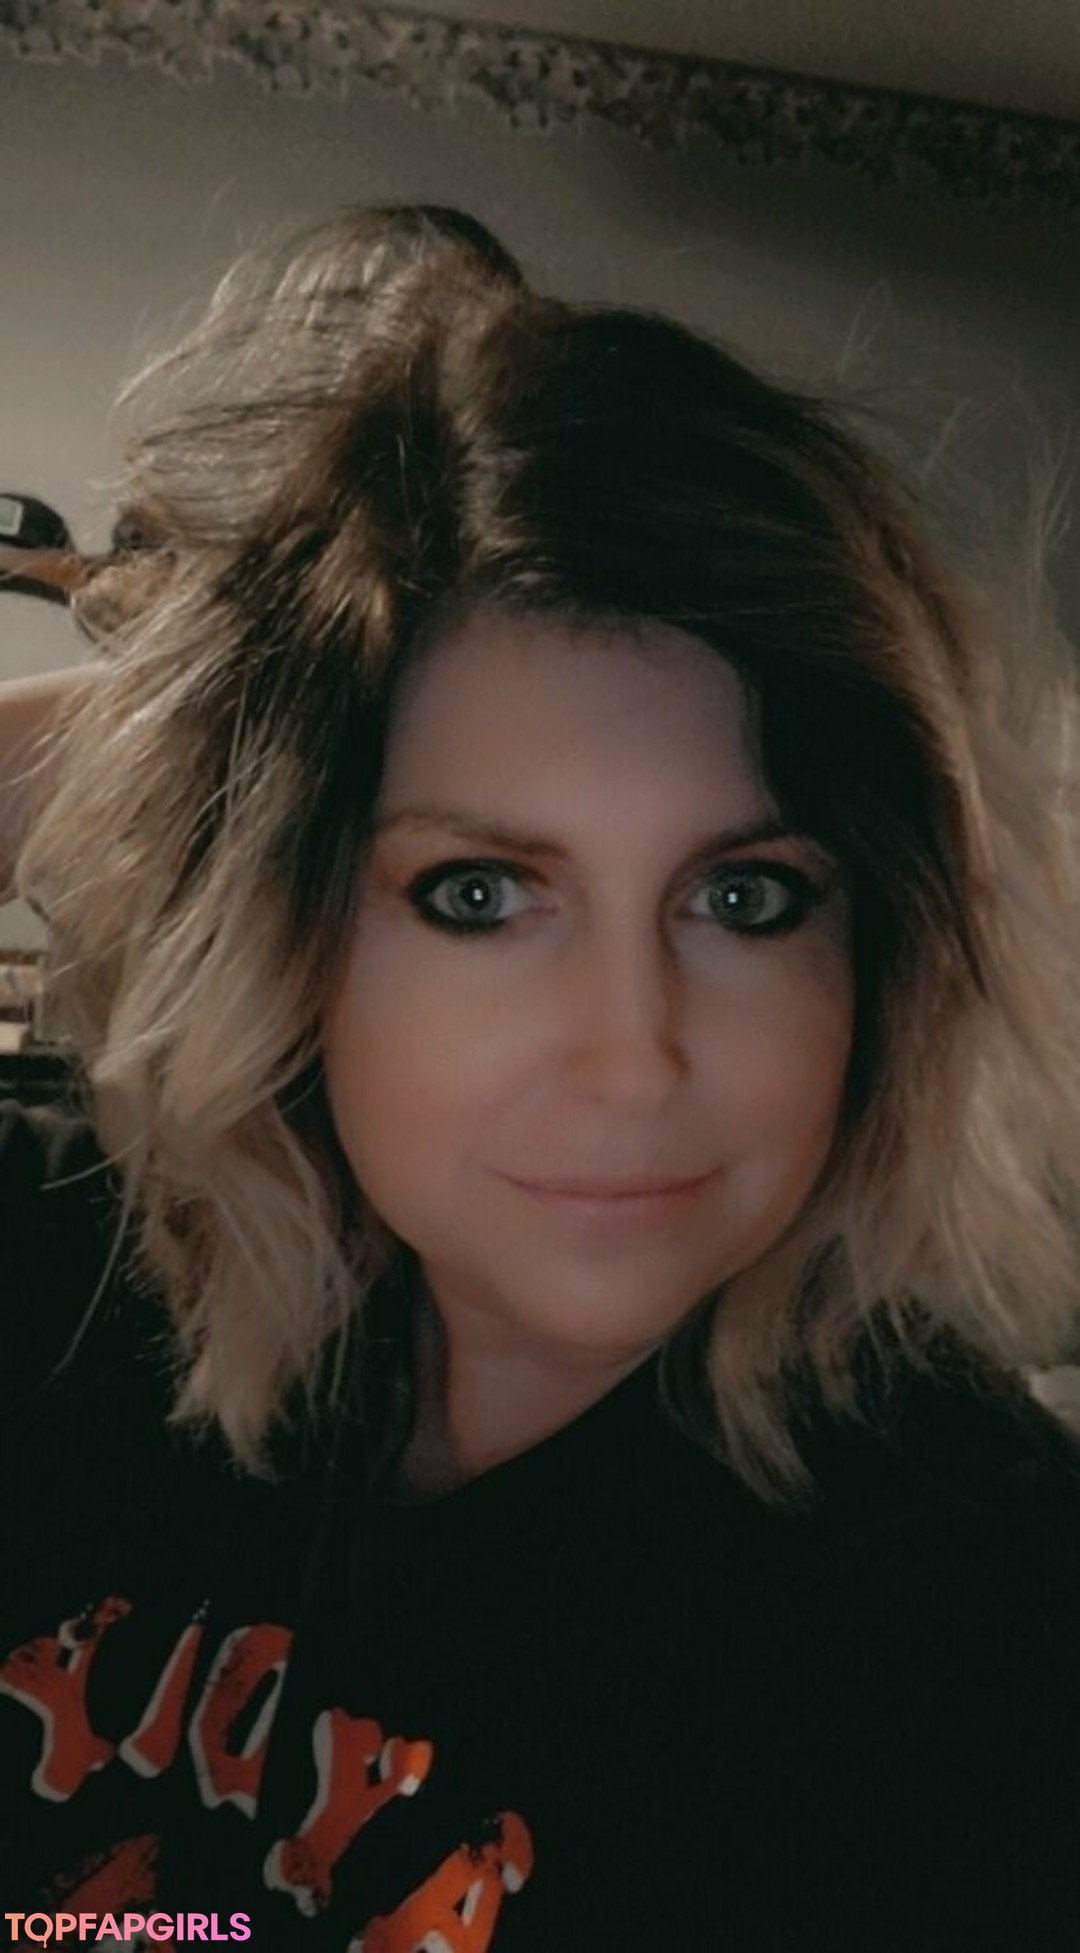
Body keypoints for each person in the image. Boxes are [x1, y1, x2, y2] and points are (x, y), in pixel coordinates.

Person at [1, 203, 1080, 1953]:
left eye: (747, 897)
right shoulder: (72, 1277)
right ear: (289, 918)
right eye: (480, 894)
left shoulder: (971, 1613)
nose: (634, 1059)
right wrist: (190, 742)